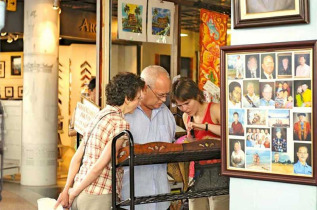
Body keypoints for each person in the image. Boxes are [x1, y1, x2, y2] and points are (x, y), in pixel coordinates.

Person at [54, 72, 145, 210]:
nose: (139, 103)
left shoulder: (97, 116)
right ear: (127, 98)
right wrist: (72, 194)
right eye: (138, 98)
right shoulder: (120, 124)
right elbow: (99, 166)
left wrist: (68, 189)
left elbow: (77, 158)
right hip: (99, 196)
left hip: (81, 191)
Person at [121, 65, 176, 210]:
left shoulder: (167, 115)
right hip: (130, 200)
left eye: (166, 95)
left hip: (162, 198)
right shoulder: (124, 115)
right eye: (160, 95)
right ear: (144, 88)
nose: (164, 100)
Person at [171, 77, 229, 210]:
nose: (184, 108)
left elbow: (229, 132)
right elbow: (195, 144)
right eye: (179, 105)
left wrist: (204, 126)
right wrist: (190, 139)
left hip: (219, 169)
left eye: (187, 103)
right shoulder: (187, 117)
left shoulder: (214, 109)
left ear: (197, 96)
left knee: (219, 205)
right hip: (198, 170)